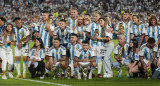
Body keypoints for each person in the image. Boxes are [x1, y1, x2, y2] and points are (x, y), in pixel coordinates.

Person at [85, 11, 103, 78]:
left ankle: (99, 73)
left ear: (100, 17)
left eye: (96, 16)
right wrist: (91, 37)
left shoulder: (102, 24)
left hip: (101, 44)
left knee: (99, 58)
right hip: (92, 44)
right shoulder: (91, 24)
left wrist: (100, 38)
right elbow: (86, 32)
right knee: (92, 58)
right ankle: (91, 72)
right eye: (94, 16)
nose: (95, 17)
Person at [37, 10, 54, 76]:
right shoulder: (41, 24)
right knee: (39, 59)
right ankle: (39, 72)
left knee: (47, 59)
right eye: (42, 15)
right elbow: (40, 33)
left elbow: (52, 35)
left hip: (47, 44)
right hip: (40, 45)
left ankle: (47, 72)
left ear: (48, 16)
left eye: (44, 15)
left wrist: (49, 28)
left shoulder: (51, 24)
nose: (43, 16)